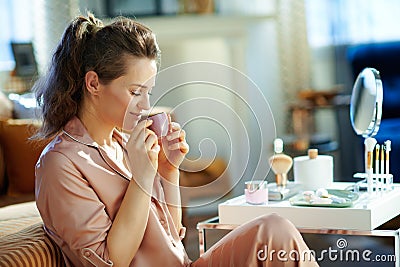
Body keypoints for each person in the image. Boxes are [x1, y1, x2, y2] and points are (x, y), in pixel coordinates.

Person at [33, 12, 318, 267]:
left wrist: (168, 169)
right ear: (93, 83)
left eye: (149, 92)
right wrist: (142, 179)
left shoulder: (123, 143)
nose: (145, 106)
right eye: (135, 92)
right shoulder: (61, 164)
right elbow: (111, 261)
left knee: (273, 229)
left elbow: (171, 235)